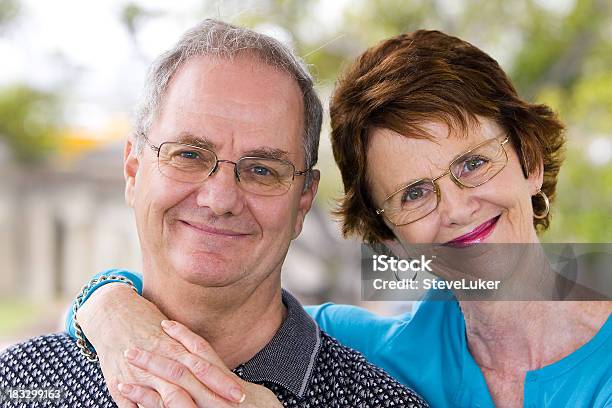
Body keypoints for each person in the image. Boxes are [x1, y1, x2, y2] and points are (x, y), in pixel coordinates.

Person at [46, 29, 612, 407]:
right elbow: (226, 314)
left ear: (530, 161)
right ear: (390, 235)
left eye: (472, 164)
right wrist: (112, 312)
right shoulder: (370, 348)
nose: (457, 207)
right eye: (414, 194)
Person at [0, 19, 428, 408]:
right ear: (133, 170)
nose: (220, 199)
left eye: (262, 170)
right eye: (188, 154)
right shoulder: (20, 383)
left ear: (303, 201)